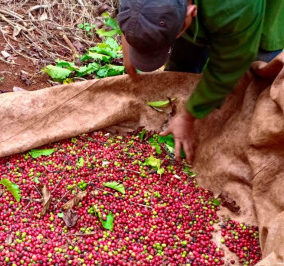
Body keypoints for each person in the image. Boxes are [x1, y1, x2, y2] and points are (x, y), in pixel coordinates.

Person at [117, 0, 284, 163]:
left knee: (256, 85)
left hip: (253, 11)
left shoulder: (234, 7)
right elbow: (135, 10)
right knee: (183, 60)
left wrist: (188, 117)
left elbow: (230, 66)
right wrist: (130, 39)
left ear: (191, 12)